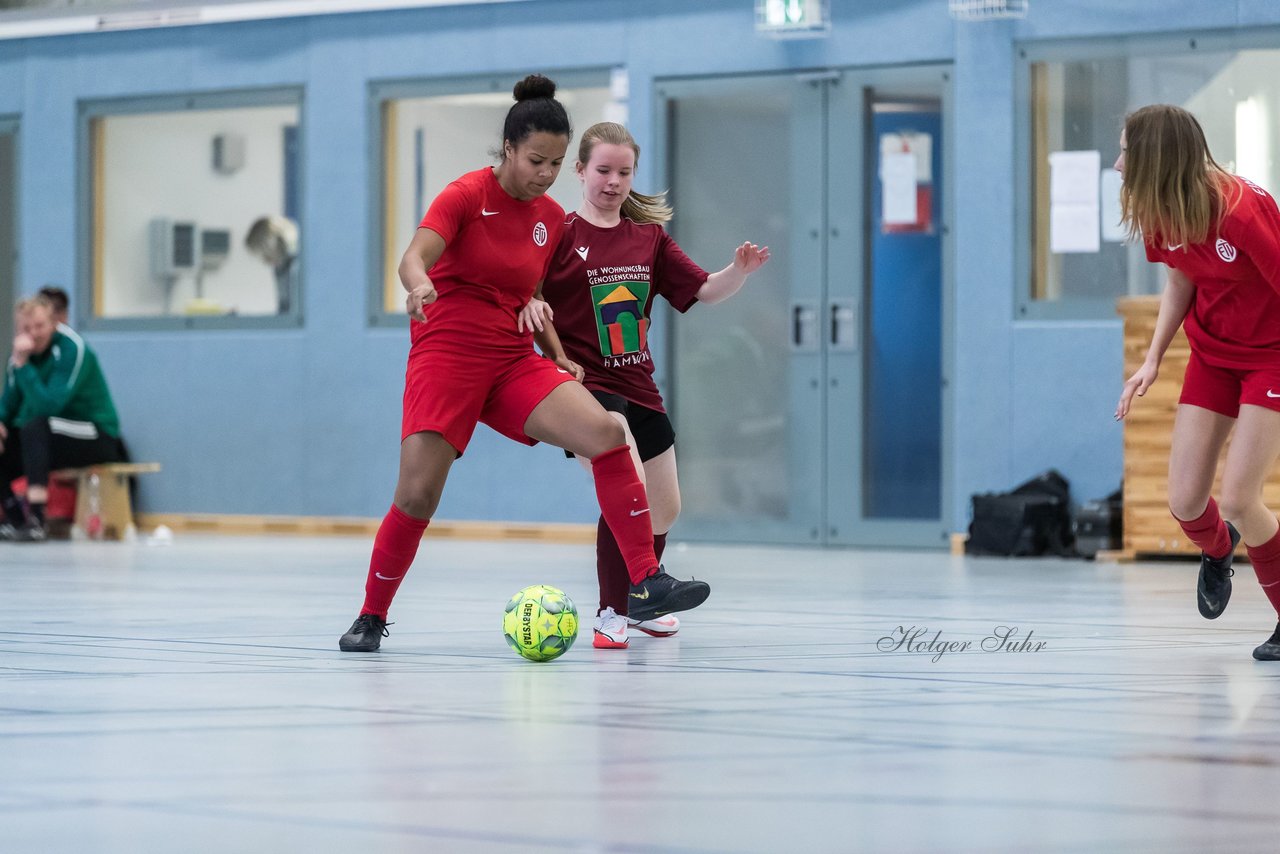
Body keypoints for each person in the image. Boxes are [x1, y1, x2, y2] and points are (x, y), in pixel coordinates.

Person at [338, 75, 710, 653]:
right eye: (536, 159)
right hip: (447, 356)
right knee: (417, 496)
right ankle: (371, 614)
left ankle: (644, 582)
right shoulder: (464, 195)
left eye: (557, 164)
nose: (544, 173)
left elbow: (535, 298)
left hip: (511, 359)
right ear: (508, 148)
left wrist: (560, 358)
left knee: (608, 433)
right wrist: (417, 288)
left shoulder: (549, 219)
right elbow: (415, 258)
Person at [519, 122, 768, 648]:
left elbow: (702, 288)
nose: (613, 181)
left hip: (640, 386)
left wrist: (738, 271)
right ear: (581, 170)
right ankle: (612, 611)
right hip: (586, 391)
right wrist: (543, 337)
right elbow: (525, 296)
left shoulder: (648, 238)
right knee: (623, 481)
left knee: (665, 506)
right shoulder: (559, 235)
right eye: (603, 170)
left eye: (624, 172)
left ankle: (640, 602)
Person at [1114, 104, 1280, 660]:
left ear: (1158, 160)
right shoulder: (1165, 210)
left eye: (1126, 153)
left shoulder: (1240, 212)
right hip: (1214, 355)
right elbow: (1183, 276)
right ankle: (1218, 550)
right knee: (1185, 500)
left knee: (1238, 496)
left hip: (1270, 358)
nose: (1117, 166)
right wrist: (1153, 359)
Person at [0, 296, 122, 541]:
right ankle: (13, 518)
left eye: (40, 326)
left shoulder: (72, 348)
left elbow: (50, 405)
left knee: (35, 426)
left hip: (95, 433)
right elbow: (9, 406)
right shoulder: (20, 358)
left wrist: (24, 367)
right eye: (26, 328)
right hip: (51, 435)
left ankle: (37, 519)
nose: (33, 334)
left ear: (54, 323)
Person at [245, 215, 298, 314]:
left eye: (265, 251)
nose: (265, 260)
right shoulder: (280, 269)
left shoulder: (297, 266)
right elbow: (284, 309)